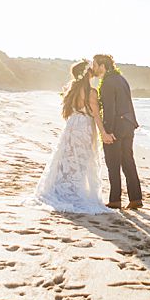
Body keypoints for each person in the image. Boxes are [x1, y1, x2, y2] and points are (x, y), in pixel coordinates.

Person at [32, 60, 113, 214]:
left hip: (72, 125)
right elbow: (96, 116)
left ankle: (62, 188)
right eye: (91, 68)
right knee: (81, 161)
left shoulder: (73, 89)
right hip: (84, 127)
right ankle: (74, 192)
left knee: (67, 159)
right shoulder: (91, 92)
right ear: (87, 72)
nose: (94, 70)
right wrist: (104, 133)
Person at [91, 53, 142, 209]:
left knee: (113, 163)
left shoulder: (107, 82)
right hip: (129, 124)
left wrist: (107, 131)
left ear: (102, 66)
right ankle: (136, 199)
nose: (93, 68)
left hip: (116, 127)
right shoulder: (122, 80)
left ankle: (115, 200)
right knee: (128, 161)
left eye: (95, 65)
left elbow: (110, 109)